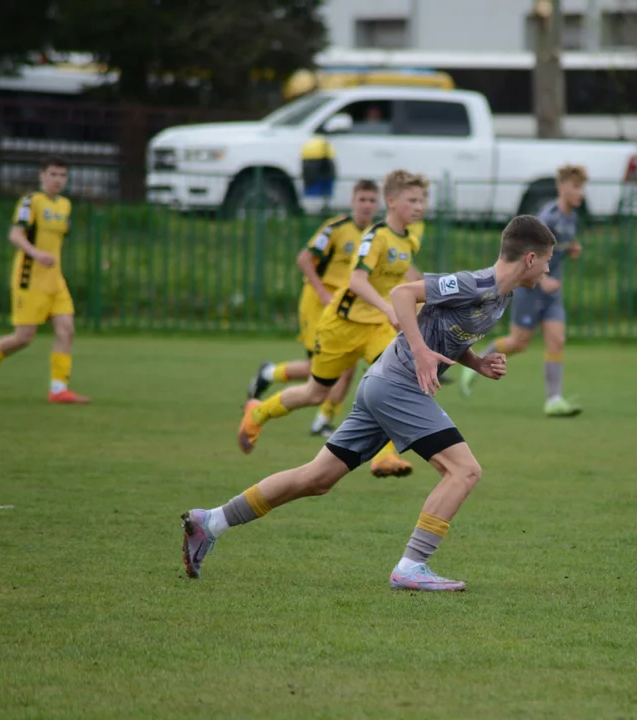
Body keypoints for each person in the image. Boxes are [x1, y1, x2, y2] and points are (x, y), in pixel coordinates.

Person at [181, 215, 556, 590]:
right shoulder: (475, 283)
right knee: (464, 470)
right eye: (547, 259)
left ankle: (210, 521)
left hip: (382, 385)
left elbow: (446, 330)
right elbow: (402, 295)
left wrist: (475, 362)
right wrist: (420, 351)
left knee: (317, 478)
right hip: (396, 386)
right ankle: (411, 566)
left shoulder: (502, 296)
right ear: (529, 258)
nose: (548, 267)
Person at [236, 169, 425, 478]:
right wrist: (390, 310)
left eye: (422, 200)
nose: (420, 207)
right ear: (391, 202)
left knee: (396, 382)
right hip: (341, 325)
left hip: (375, 328)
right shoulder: (375, 237)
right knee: (315, 392)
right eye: (413, 200)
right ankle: (258, 411)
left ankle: (385, 455)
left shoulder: (409, 240)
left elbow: (410, 276)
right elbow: (357, 281)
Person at [246, 179, 380, 437]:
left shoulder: (376, 235)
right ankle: (269, 373)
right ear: (352, 202)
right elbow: (304, 259)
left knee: (346, 366)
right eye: (362, 199)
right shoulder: (335, 228)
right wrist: (322, 292)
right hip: (319, 304)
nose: (366, 205)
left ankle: (323, 421)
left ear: (378, 205)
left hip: (347, 309)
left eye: (372, 200)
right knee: (318, 369)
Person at [0, 155, 90, 404]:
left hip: (55, 279)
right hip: (29, 279)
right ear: (42, 176)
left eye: (62, 175)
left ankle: (58, 389)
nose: (58, 180)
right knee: (23, 338)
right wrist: (36, 253)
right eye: (53, 174)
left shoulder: (65, 205)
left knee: (66, 330)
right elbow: (15, 234)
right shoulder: (31, 202)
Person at [460, 164, 586, 417]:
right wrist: (541, 280)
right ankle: (478, 359)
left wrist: (570, 249)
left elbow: (554, 249)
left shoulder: (571, 218)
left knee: (557, 340)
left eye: (582, 187)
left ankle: (553, 399)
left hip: (552, 292)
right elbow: (526, 256)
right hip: (532, 289)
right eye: (575, 186)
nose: (581, 193)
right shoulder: (547, 218)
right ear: (562, 187)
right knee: (519, 343)